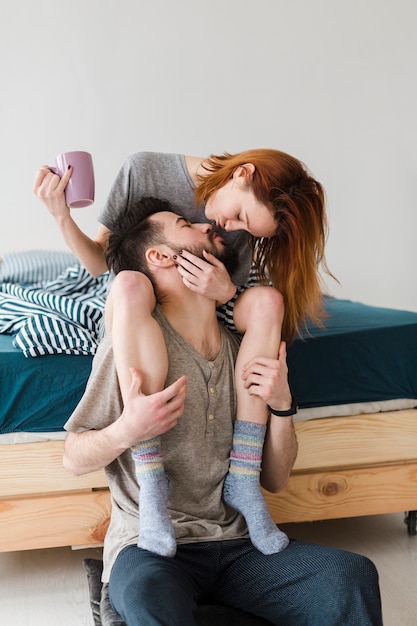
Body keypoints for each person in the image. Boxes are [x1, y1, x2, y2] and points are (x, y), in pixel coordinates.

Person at [63, 204, 382, 626]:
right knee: (147, 594)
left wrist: (282, 406)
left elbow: (276, 479)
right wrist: (128, 429)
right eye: (185, 224)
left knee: (351, 575)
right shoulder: (129, 347)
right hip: (150, 544)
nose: (205, 225)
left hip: (240, 543)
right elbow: (72, 458)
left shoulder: (245, 345)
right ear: (161, 257)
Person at [33, 149, 332, 556]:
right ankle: (151, 475)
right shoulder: (145, 171)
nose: (225, 227)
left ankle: (243, 478)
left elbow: (228, 302)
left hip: (207, 304)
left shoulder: (231, 229)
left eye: (246, 228)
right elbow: (101, 263)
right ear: (241, 174)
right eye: (240, 217)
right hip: (138, 300)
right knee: (128, 284)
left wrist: (228, 292)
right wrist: (61, 215)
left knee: (269, 303)